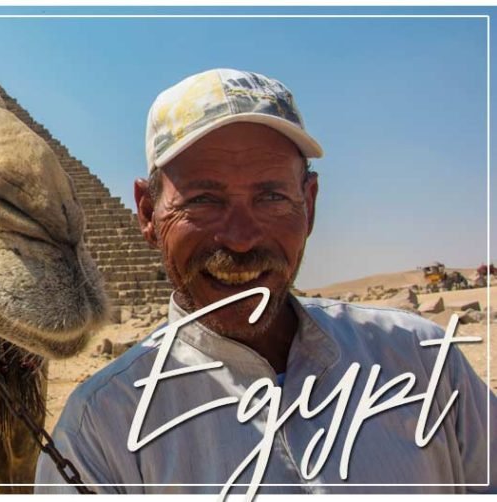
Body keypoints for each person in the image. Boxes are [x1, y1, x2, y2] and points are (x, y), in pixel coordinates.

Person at [35, 68, 496, 495]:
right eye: (203, 200)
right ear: (148, 213)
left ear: (309, 205)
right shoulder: (100, 435)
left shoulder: (422, 362)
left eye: (272, 196)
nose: (239, 240)